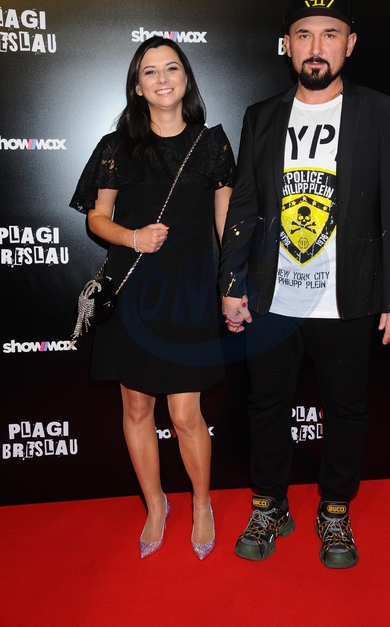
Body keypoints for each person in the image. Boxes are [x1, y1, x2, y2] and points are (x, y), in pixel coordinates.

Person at [219, 0, 390, 568]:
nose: (316, 46)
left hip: (346, 299)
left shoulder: (381, 112)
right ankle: (270, 504)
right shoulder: (260, 117)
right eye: (303, 34)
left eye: (330, 34)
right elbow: (244, 206)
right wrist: (232, 284)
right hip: (271, 298)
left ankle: (334, 511)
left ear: (349, 44)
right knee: (266, 407)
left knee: (347, 409)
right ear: (286, 44)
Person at [70, 36, 235, 560]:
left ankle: (202, 503)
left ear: (186, 78)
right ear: (138, 87)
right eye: (150, 71)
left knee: (186, 414)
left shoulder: (212, 144)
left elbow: (226, 223)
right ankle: (156, 504)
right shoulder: (117, 147)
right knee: (137, 406)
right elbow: (97, 218)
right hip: (133, 289)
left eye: (172, 68)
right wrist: (133, 237)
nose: (162, 79)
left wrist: (231, 287)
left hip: (188, 296)